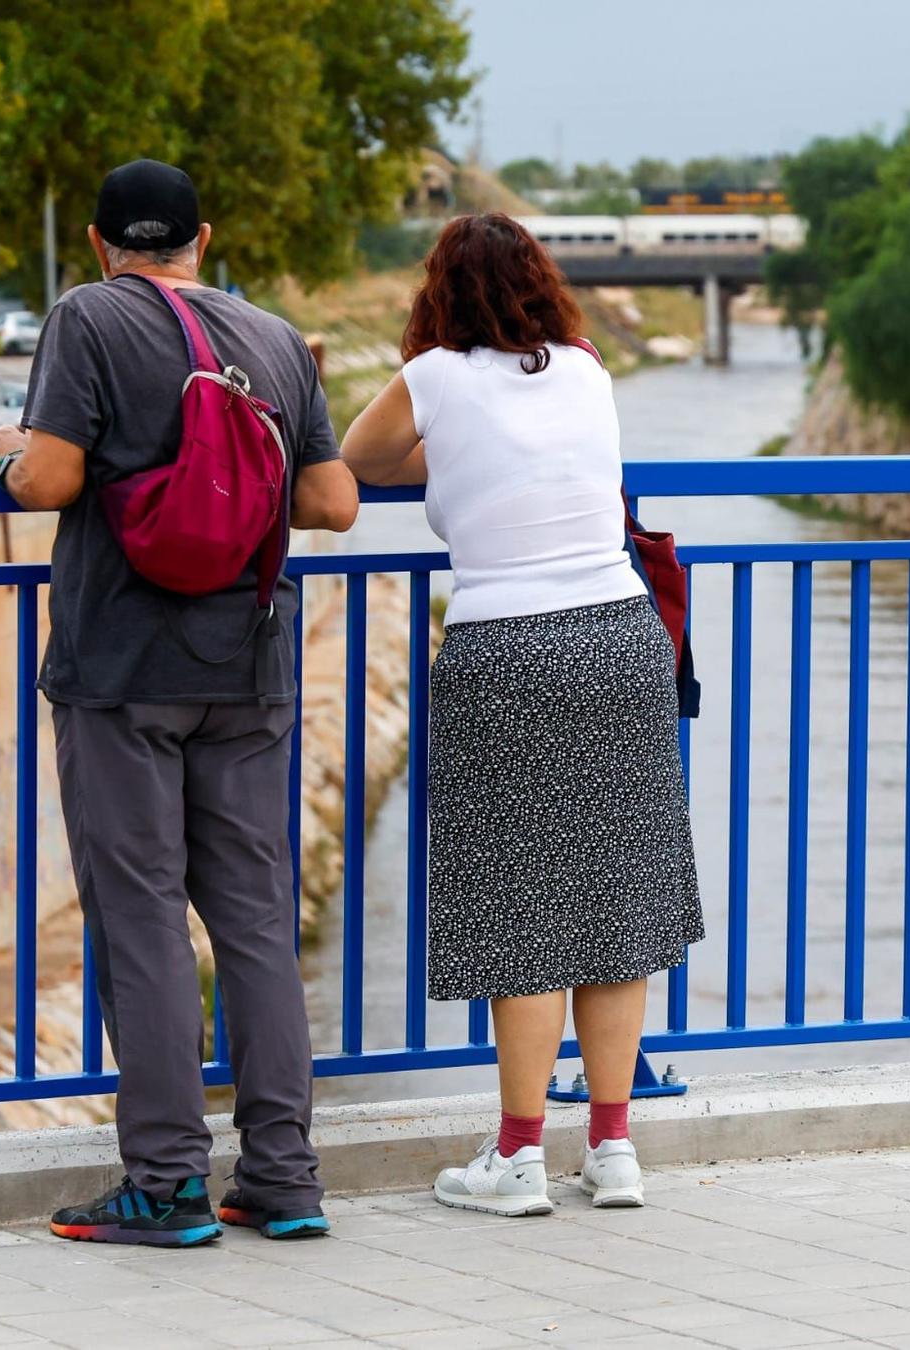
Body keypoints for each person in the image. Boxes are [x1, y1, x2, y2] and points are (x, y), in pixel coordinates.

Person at [0, 159, 359, 1248]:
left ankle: (169, 1182)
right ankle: (282, 1176)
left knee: (141, 918)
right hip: (250, 666)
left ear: (96, 244)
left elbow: (48, 482)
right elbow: (334, 503)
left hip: (121, 669)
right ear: (202, 239)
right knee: (257, 924)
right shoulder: (271, 337)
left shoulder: (86, 317)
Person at [341, 213, 703, 1217]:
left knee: (523, 913)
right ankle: (616, 1147)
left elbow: (361, 460)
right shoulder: (587, 370)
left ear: (438, 295)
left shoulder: (433, 380)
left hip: (511, 652)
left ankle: (516, 1158)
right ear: (543, 283)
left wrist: (447, 455)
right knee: (614, 911)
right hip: (624, 640)